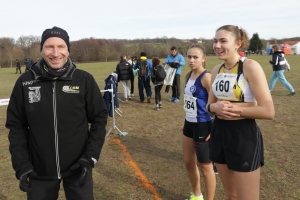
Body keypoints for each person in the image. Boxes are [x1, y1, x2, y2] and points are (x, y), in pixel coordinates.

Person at [6, 26, 108, 200]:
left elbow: (99, 118)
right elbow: (16, 126)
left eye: (61, 46)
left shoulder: (84, 79)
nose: (55, 53)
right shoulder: (25, 82)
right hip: (39, 171)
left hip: (78, 168)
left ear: (68, 50)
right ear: (41, 50)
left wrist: (90, 157)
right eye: (49, 47)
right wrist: (22, 165)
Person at [207, 25, 275, 200]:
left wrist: (234, 110)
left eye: (223, 41)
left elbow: (268, 111)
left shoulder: (250, 66)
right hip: (219, 133)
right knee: (231, 195)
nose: (217, 45)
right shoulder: (216, 70)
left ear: (238, 43)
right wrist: (214, 108)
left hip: (243, 135)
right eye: (215, 41)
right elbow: (209, 106)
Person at [182, 44, 216, 200]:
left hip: (203, 125)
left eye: (195, 57)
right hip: (189, 124)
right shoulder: (188, 75)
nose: (191, 60)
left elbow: (216, 103)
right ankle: (197, 196)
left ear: (203, 58)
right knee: (189, 162)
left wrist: (214, 128)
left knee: (205, 167)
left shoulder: (206, 77)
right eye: (189, 56)